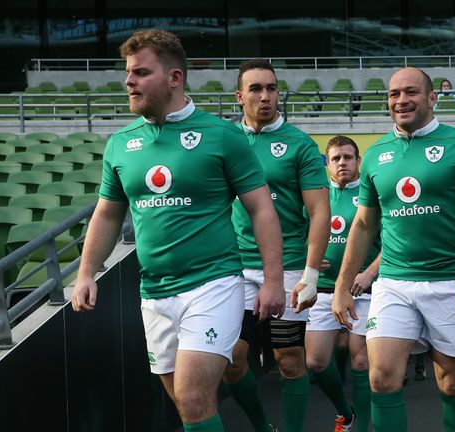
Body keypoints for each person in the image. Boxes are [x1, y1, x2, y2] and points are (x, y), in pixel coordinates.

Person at [70, 29, 284, 432]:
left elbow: (261, 210)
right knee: (188, 409)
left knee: (193, 399)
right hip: (154, 293)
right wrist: (85, 272)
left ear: (174, 78)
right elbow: (107, 214)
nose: (128, 81)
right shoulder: (120, 143)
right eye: (128, 72)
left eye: (140, 72)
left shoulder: (223, 135)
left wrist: (273, 280)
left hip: (213, 284)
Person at [332, 66, 455, 432]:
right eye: (393, 94)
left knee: (453, 386)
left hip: (450, 283)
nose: (401, 100)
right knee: (381, 379)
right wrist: (342, 286)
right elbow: (363, 224)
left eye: (411, 92)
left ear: (432, 97)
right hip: (394, 283)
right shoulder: (376, 154)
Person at [232, 58, 330, 432]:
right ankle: (262, 427)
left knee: (289, 359)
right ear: (240, 97)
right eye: (256, 89)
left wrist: (309, 273)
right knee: (231, 360)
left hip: (288, 266)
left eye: (271, 88)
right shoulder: (226, 140)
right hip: (236, 267)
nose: (265, 96)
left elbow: (319, 211)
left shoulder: (299, 144)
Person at [305, 135, 381, 432]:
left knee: (361, 362)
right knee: (316, 362)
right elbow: (300, 234)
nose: (342, 163)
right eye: (335, 158)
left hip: (363, 290)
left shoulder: (370, 193)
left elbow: (392, 242)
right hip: (323, 289)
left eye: (348, 157)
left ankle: (361, 428)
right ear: (328, 163)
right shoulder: (317, 195)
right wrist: (307, 260)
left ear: (358, 161)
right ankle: (346, 413)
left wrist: (369, 273)